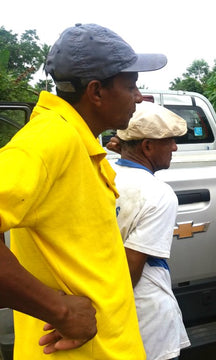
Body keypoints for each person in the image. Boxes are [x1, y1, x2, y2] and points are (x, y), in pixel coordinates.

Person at [0, 23, 167, 359]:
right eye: (131, 85)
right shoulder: (48, 140)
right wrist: (58, 310)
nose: (139, 96)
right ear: (96, 92)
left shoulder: (79, 140)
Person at [112, 101, 191, 360]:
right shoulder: (158, 194)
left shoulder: (103, 172)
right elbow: (129, 273)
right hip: (142, 312)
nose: (175, 147)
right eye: (169, 140)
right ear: (147, 146)